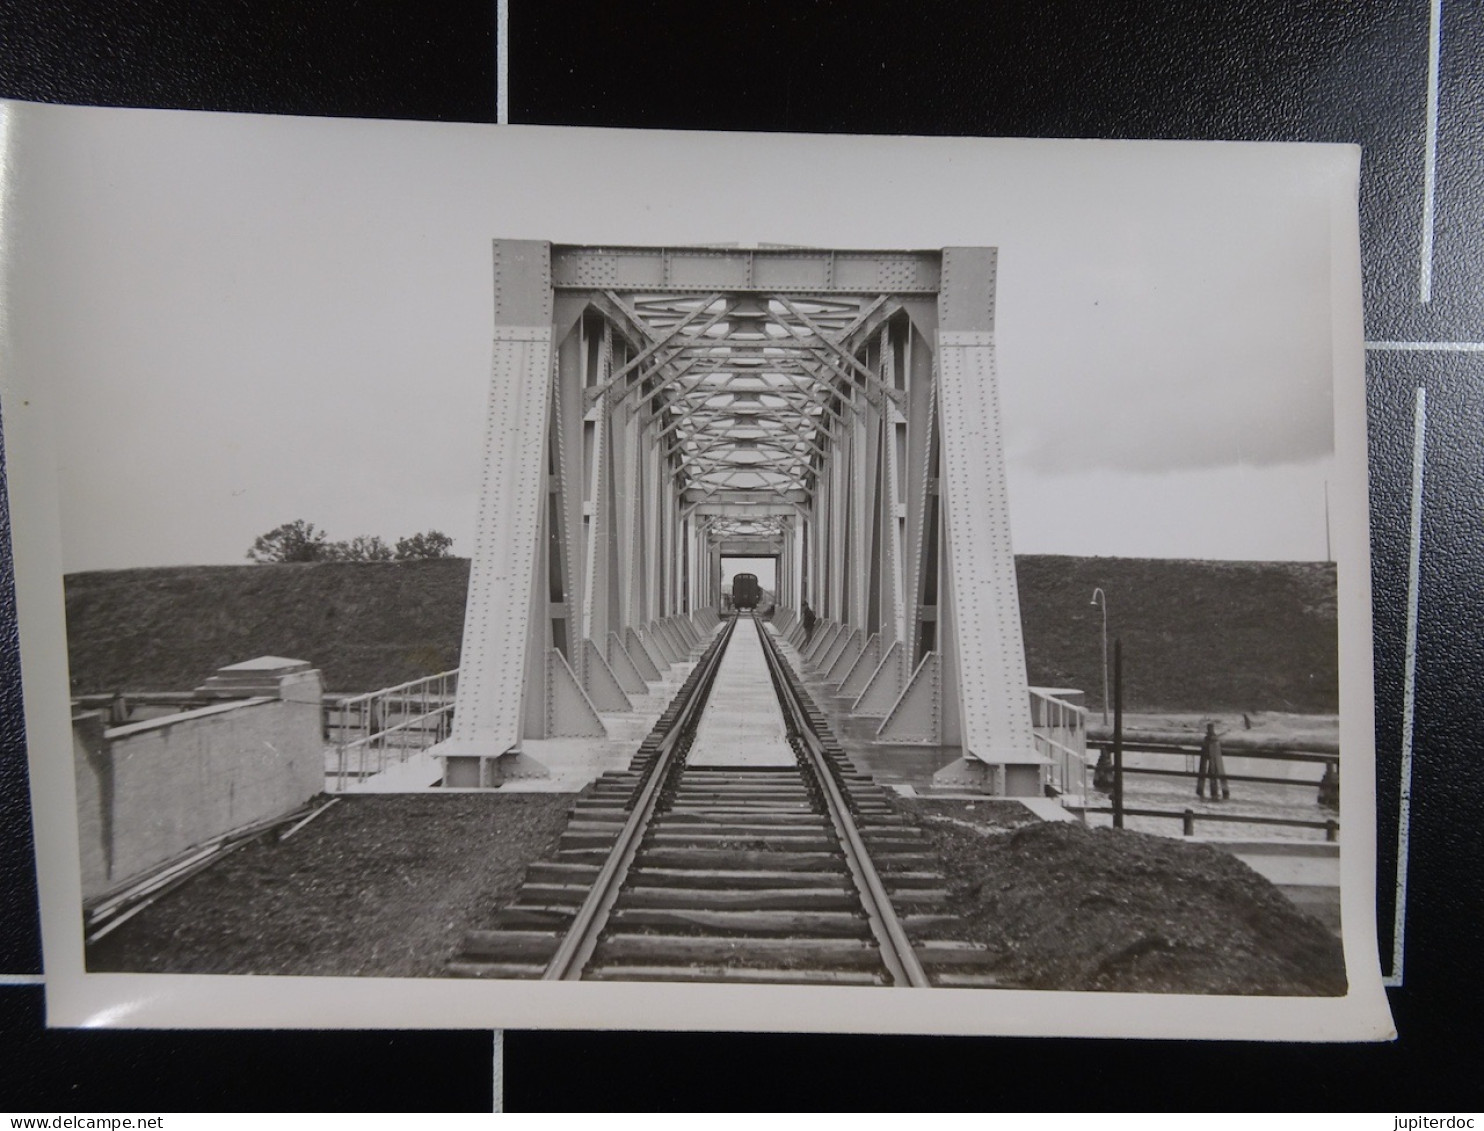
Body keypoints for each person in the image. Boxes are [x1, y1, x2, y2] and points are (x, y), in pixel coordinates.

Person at [1196, 721, 1230, 800]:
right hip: (1212, 750)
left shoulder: (1209, 738)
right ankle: (1216, 793)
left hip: (1211, 750)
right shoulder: (1211, 738)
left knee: (1210, 771)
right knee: (1212, 772)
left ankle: (1205, 792)